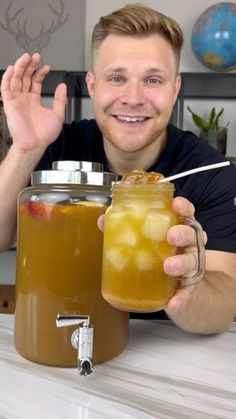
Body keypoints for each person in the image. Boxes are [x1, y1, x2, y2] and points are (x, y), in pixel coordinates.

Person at [0, 4, 236, 334]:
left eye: (153, 79)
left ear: (175, 89)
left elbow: (220, 310)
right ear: (93, 85)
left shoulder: (209, 170)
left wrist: (189, 283)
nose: (133, 98)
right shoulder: (57, 146)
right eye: (117, 78)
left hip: (158, 345)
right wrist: (25, 148)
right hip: (57, 329)